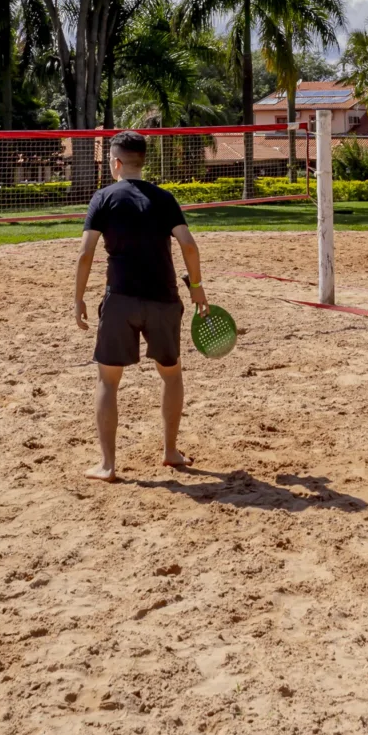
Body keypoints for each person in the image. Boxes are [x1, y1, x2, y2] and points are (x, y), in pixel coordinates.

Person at [73, 130, 207, 481]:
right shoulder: (164, 198)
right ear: (142, 161)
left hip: (120, 298)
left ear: (116, 163)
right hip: (163, 298)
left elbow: (85, 253)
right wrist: (197, 289)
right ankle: (170, 452)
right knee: (171, 373)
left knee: (108, 380)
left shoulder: (103, 197)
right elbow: (189, 246)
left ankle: (107, 465)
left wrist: (78, 298)